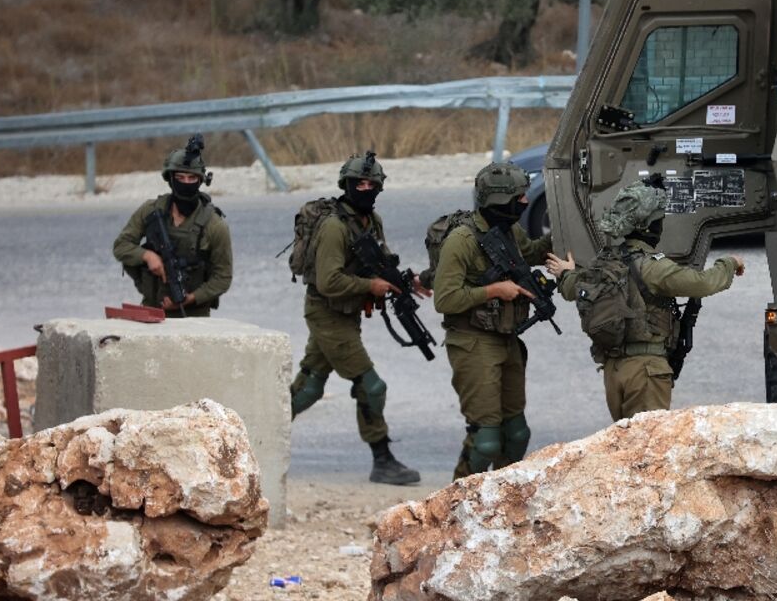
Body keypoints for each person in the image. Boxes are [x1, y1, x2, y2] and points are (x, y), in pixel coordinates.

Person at [546, 180, 744, 421]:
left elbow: (572, 289)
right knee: (648, 452)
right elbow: (703, 283)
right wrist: (730, 263)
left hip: (613, 371)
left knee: (626, 446)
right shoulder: (652, 267)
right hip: (646, 373)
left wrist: (566, 272)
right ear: (647, 225)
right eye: (658, 219)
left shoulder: (603, 262)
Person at [287, 152, 427, 485]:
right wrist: (371, 286)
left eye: (371, 184)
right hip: (327, 313)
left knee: (308, 389)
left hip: (346, 316)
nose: (365, 188)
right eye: (358, 184)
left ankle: (252, 438)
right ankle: (383, 460)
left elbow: (380, 261)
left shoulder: (371, 221)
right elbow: (328, 281)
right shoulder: (335, 227)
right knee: (371, 386)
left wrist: (405, 281)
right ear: (346, 185)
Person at [433, 162, 552, 480]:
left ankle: (500, 501)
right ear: (500, 201)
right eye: (519, 197)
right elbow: (444, 299)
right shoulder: (462, 240)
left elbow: (530, 253)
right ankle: (456, 506)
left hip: (507, 339)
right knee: (485, 440)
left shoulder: (509, 231)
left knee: (516, 435)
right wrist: (494, 290)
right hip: (473, 342)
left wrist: (563, 235)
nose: (526, 203)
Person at [113, 135, 232, 317]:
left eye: (191, 178)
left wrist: (190, 298)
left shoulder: (214, 225)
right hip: (152, 312)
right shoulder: (150, 210)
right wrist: (148, 256)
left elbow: (223, 278)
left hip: (194, 318)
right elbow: (121, 246)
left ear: (200, 180)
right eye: (180, 177)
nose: (185, 183)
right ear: (170, 179)